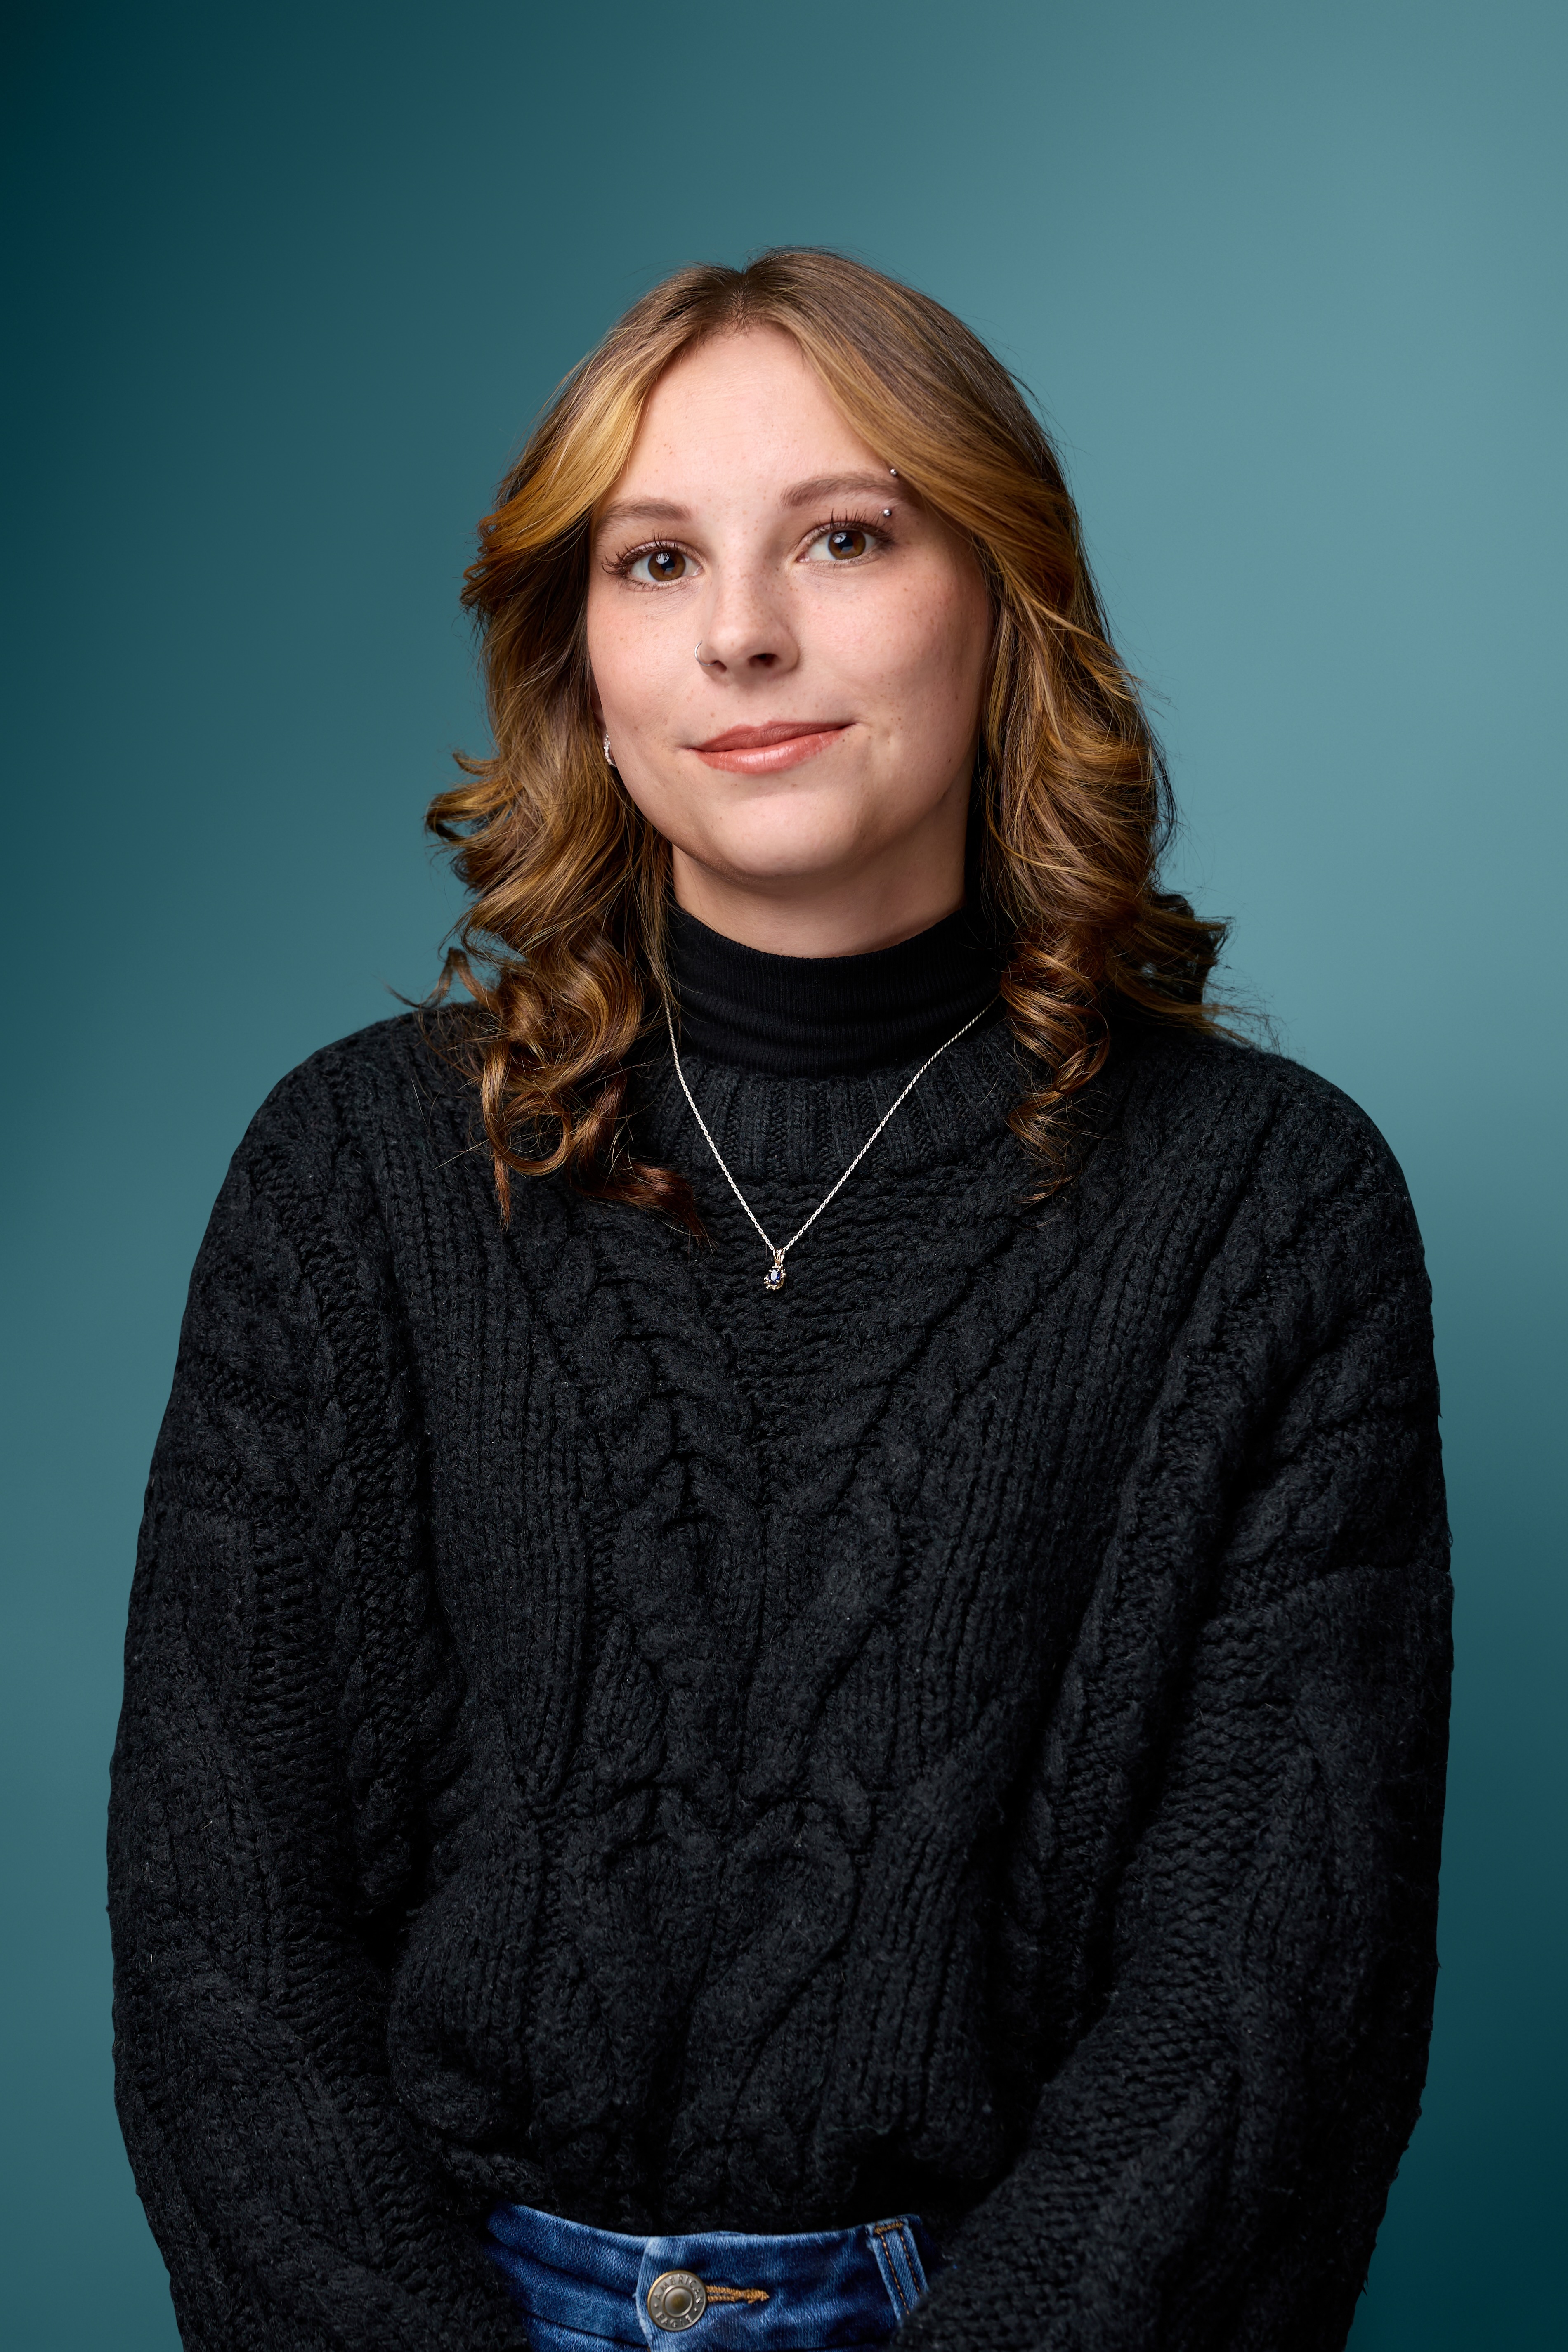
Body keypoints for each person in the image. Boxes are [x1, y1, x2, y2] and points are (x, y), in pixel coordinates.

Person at [108, 250, 1451, 2352]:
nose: (740, 630)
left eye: (841, 536)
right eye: (655, 560)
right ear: (579, 655)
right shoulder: (356, 1176)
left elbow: (1265, 2014)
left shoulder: (1264, 1210)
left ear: (1002, 596)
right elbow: (223, 1944)